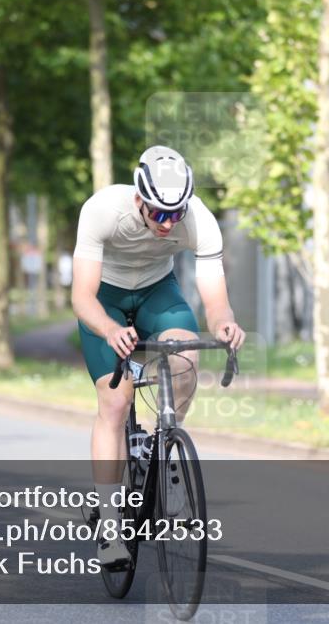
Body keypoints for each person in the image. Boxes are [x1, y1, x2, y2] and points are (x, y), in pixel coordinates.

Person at [71, 145, 246, 568]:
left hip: (156, 291)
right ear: (139, 199)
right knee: (115, 402)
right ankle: (110, 527)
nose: (168, 223)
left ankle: (160, 443)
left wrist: (224, 322)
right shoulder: (103, 211)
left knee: (185, 358)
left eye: (176, 213)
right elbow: (81, 295)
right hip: (106, 299)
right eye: (158, 214)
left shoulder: (199, 220)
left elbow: (214, 295)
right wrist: (111, 329)